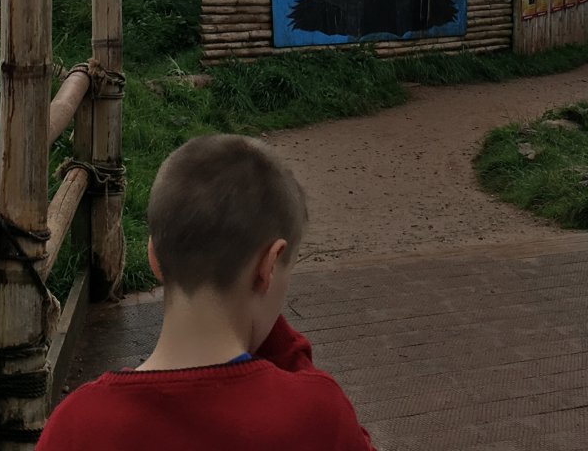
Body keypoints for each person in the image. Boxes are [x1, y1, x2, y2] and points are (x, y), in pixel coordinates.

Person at [38, 133, 376, 450]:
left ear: (154, 257)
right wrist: (281, 347)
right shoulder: (318, 416)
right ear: (269, 265)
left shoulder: (75, 425)